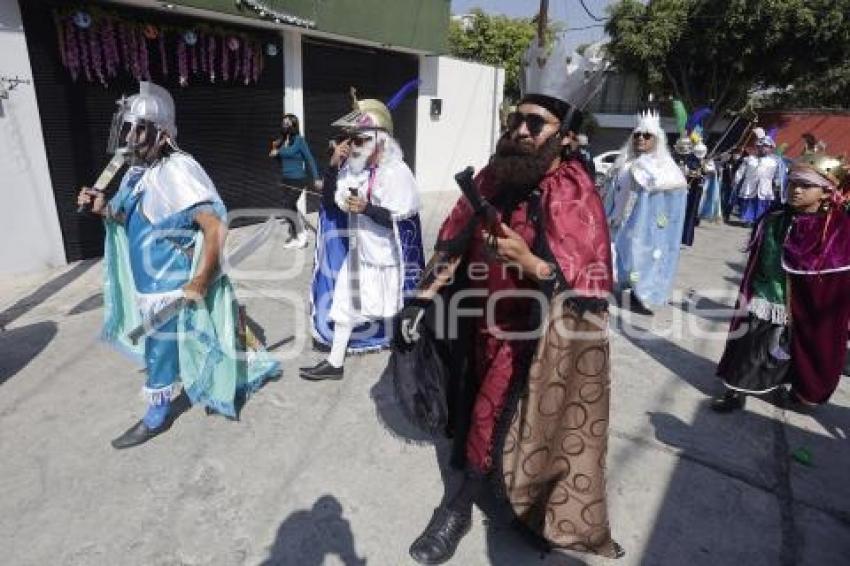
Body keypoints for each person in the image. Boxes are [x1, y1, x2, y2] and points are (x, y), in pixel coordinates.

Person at [396, 38, 622, 564]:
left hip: (534, 341)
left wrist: (531, 262)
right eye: (516, 119)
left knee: (500, 419)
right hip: (477, 323)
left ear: (564, 138)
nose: (520, 130)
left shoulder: (573, 191)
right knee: (477, 413)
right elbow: (453, 240)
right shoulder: (491, 177)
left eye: (536, 124)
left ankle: (456, 509)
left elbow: (586, 286)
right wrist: (420, 300)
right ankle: (496, 492)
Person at [76, 82, 280, 448]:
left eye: (139, 129)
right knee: (191, 343)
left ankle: (156, 417)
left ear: (162, 134)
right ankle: (240, 366)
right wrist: (100, 207)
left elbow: (215, 227)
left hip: (171, 284)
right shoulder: (138, 172)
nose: (130, 137)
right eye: (127, 127)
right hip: (147, 284)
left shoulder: (179, 170)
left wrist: (200, 280)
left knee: (162, 349)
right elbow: (125, 219)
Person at [713, 152, 850, 411]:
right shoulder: (774, 217)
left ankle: (798, 390)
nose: (796, 190)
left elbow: (837, 281)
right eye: (793, 183)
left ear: (825, 192)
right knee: (750, 344)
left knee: (800, 350)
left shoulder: (837, 229)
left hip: (806, 307)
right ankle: (736, 390)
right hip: (766, 294)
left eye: (806, 185)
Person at [301, 91, 424, 380]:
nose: (351, 146)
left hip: (388, 262)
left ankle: (412, 359)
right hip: (360, 257)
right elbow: (331, 202)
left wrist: (368, 209)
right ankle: (334, 364)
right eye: (350, 139)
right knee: (343, 308)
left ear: (379, 141)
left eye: (358, 139)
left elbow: (402, 222)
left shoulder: (396, 173)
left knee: (397, 311)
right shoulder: (354, 171)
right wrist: (332, 165)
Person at [604, 111, 688, 315]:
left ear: (656, 139)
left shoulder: (663, 168)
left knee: (639, 259)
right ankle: (622, 288)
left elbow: (674, 189)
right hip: (617, 220)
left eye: (647, 135)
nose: (641, 138)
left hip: (643, 227)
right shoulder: (624, 163)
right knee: (617, 257)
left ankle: (641, 295)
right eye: (637, 135)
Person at [269, 113, 319, 249]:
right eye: (283, 123)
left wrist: (316, 178)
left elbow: (310, 159)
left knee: (288, 206)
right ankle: (297, 233)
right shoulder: (280, 142)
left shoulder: (299, 141)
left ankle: (301, 236)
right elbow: (281, 161)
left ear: (293, 125)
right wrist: (275, 154)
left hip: (298, 179)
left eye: (287, 123)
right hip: (285, 179)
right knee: (290, 207)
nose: (284, 125)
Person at [733, 135, 784, 225]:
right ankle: (747, 220)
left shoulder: (774, 162)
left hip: (765, 186)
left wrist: (777, 183)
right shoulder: (749, 159)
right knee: (748, 202)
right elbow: (741, 171)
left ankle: (759, 220)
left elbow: (778, 174)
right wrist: (736, 180)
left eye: (766, 147)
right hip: (749, 184)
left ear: (770, 149)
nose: (763, 149)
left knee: (761, 204)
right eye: (761, 146)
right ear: (758, 147)